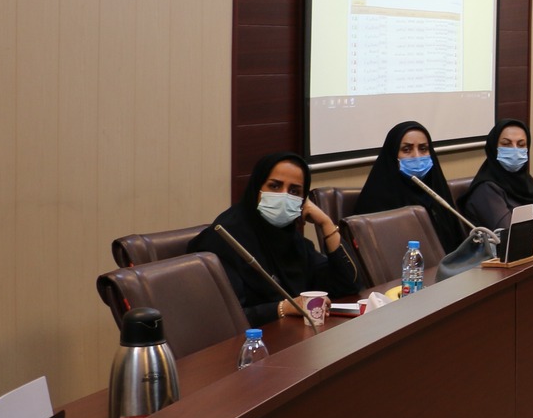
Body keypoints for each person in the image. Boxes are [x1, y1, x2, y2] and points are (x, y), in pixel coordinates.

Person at [192, 152, 359, 327]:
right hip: (252, 341)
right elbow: (224, 319)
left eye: (294, 191)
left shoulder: (291, 239)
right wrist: (283, 308)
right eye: (274, 186)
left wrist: (326, 224)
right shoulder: (225, 238)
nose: (284, 197)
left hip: (297, 335)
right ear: (257, 187)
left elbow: (348, 287)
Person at [352, 121, 467, 254]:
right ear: (392, 154)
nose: (416, 156)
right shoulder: (376, 199)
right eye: (406, 150)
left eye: (423, 149)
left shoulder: (437, 189)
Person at [461, 118, 533, 237]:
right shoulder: (486, 189)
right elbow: (508, 231)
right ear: (493, 148)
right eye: (506, 144)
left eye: (521, 145)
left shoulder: (527, 182)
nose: (515, 149)